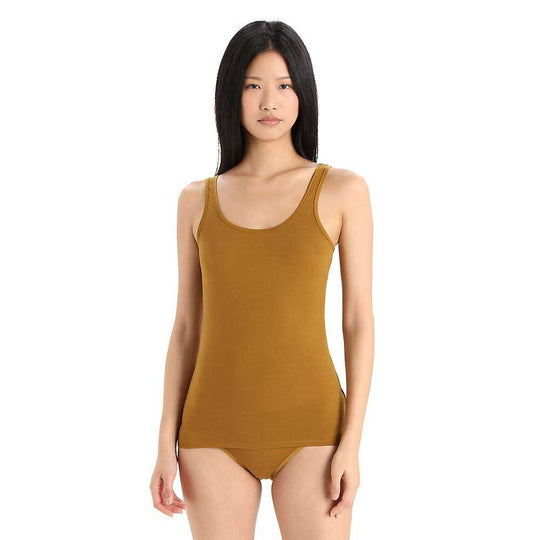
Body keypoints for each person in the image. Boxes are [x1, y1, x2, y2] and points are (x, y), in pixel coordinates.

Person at [150, 20, 374, 539]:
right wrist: (164, 441)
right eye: (253, 85)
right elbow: (185, 329)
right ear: (231, 94)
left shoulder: (342, 190)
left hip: (314, 429)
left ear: (303, 94)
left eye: (284, 85)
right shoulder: (195, 200)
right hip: (211, 431)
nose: (269, 101)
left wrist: (353, 440)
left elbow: (358, 320)